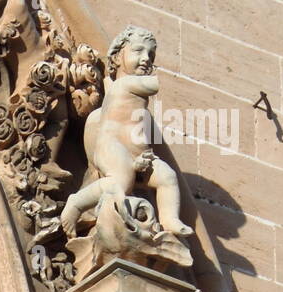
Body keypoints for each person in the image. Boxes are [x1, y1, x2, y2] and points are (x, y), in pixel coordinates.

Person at [61, 26, 191, 239]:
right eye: (138, 51)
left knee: (167, 176)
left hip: (137, 154)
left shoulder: (138, 103)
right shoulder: (126, 85)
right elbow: (153, 85)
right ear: (117, 57)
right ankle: (76, 203)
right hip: (114, 147)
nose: (146, 58)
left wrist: (140, 162)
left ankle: (169, 219)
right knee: (120, 181)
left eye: (150, 54)